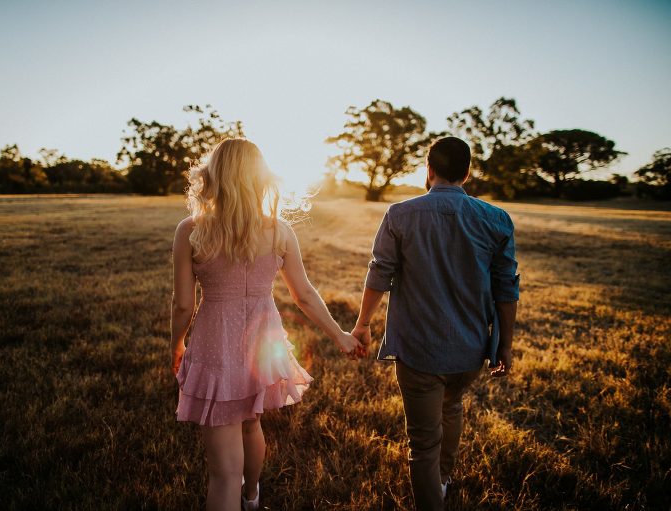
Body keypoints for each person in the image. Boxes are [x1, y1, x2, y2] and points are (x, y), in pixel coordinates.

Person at [171, 138, 362, 511]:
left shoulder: (192, 229)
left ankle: (239, 490)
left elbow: (182, 305)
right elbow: (304, 295)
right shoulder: (279, 230)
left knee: (223, 474)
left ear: (213, 175)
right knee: (251, 422)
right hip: (262, 344)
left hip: (215, 343)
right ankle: (252, 496)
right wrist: (339, 335)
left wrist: (177, 343)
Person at [351, 136, 520, 510]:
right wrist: (505, 345)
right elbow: (506, 286)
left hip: (419, 351)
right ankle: (442, 480)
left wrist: (362, 324)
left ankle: (435, 490)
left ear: (428, 170)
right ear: (467, 173)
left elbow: (380, 273)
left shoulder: (400, 214)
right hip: (471, 349)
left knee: (423, 442)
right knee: (452, 406)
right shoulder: (497, 219)